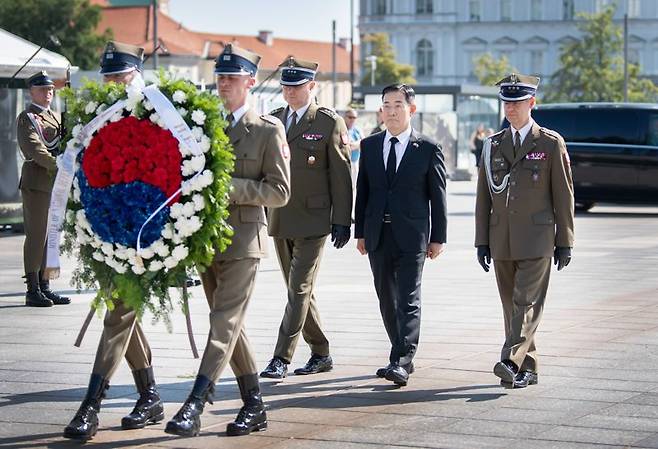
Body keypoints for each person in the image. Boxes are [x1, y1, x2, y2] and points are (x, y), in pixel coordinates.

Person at [165, 44, 290, 437]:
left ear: (250, 82)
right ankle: (254, 404)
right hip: (206, 242)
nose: (224, 83)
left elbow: (280, 191)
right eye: (220, 76)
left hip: (244, 243)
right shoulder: (202, 126)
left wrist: (227, 187)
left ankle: (195, 403)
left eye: (232, 77)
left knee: (223, 322)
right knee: (229, 326)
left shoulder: (268, 130)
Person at [64, 41, 165, 441]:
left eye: (119, 76)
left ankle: (91, 405)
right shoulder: (98, 117)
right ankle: (150, 395)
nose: (111, 84)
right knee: (124, 313)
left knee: (118, 313)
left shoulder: (158, 112)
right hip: (106, 230)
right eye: (107, 77)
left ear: (136, 74)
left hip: (145, 234)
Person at [474, 73, 574, 389]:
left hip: (537, 238)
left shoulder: (549, 143)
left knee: (525, 303)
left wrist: (565, 240)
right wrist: (481, 241)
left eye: (517, 102)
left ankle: (508, 360)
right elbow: (483, 197)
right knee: (511, 307)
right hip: (500, 238)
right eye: (507, 102)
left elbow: (563, 194)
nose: (511, 108)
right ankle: (527, 368)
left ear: (532, 103)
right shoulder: (492, 145)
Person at [260, 57, 352, 379]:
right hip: (281, 217)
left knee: (297, 288)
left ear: (312, 86)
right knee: (299, 290)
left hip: (314, 220)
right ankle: (321, 352)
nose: (290, 91)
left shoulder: (328, 122)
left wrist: (343, 219)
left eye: (296, 86)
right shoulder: (272, 121)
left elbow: (342, 174)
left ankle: (281, 358)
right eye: (285, 85)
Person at [354, 84, 447, 387]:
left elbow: (438, 197)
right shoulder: (369, 146)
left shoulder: (428, 149)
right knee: (386, 298)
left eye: (397, 105)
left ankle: (402, 360)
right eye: (386, 105)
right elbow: (363, 192)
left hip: (413, 235)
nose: (391, 111)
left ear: (411, 110)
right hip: (378, 233)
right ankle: (400, 353)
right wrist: (360, 233)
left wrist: (438, 238)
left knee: (408, 298)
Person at [16, 71, 70, 308]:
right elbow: (33, 149)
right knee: (37, 235)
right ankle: (32, 289)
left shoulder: (56, 117)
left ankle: (45, 285)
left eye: (50, 90)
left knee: (52, 238)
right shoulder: (26, 118)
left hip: (56, 184)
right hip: (37, 183)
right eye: (42, 90)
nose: (48, 94)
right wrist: (59, 165)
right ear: (32, 92)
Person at [344, 108, 363, 184]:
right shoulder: (342, 129)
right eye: (350, 117)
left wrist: (355, 144)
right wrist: (358, 144)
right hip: (345, 163)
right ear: (345, 117)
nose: (352, 120)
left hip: (355, 161)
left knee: (354, 186)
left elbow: (364, 143)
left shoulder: (357, 130)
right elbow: (347, 146)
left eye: (354, 117)